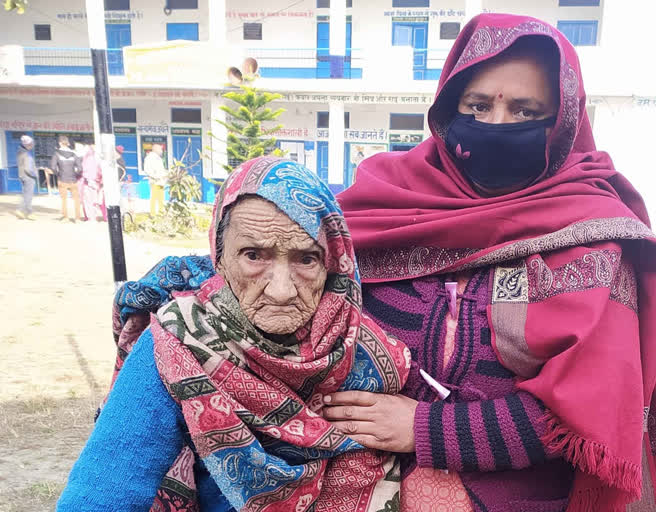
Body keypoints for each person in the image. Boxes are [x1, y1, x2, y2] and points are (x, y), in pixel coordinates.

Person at [109, 14, 656, 512]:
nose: (498, 124)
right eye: (478, 105)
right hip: (344, 476)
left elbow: (586, 415)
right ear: (447, 108)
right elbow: (286, 263)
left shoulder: (593, 236)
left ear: (561, 121)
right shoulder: (387, 199)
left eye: (525, 109)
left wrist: (424, 430)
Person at [57, 157, 410, 512]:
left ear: (333, 263)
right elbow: (106, 486)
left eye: (306, 259)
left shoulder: (367, 351)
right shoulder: (180, 341)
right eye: (254, 255)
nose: (282, 290)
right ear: (219, 258)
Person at [50, 135, 82, 223]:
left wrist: (58, 174)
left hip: (62, 180)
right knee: (76, 200)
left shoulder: (56, 154)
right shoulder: (74, 154)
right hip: (73, 180)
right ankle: (78, 218)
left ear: (60, 143)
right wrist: (75, 174)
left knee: (64, 200)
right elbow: (80, 168)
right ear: (67, 143)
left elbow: (53, 167)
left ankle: (65, 217)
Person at [14, 135, 37, 220]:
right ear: (28, 144)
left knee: (26, 194)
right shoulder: (26, 154)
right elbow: (28, 168)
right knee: (28, 195)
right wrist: (34, 175)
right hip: (28, 176)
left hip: (22, 175)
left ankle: (26, 211)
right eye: (32, 144)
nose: (33, 145)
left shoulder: (20, 151)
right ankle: (23, 211)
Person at [80, 145, 105, 221]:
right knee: (95, 200)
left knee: (88, 200)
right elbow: (100, 171)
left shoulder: (86, 159)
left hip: (88, 182)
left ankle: (91, 217)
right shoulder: (97, 159)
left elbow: (83, 170)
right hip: (96, 183)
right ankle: (94, 216)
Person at [143, 143, 168, 216]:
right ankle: (153, 213)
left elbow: (161, 169)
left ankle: (161, 212)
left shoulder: (158, 158)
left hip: (161, 181)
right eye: (160, 149)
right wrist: (155, 176)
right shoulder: (149, 158)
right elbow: (147, 170)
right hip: (155, 181)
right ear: (156, 149)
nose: (162, 151)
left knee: (161, 198)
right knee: (154, 197)